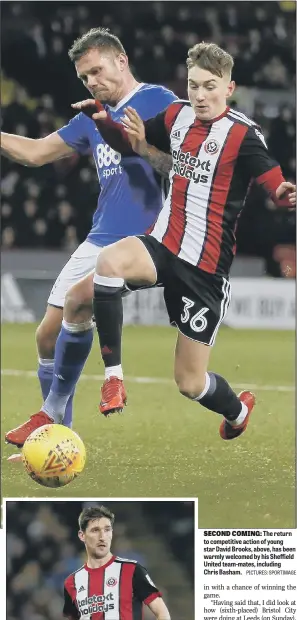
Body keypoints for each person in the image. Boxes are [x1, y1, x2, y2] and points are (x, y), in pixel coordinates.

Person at [82, 41, 295, 439]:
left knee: (189, 382)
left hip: (205, 268)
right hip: (163, 243)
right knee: (108, 264)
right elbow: (134, 145)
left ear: (228, 89)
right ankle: (113, 378)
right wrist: (101, 121)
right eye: (194, 85)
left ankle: (237, 411)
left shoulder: (243, 134)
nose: (199, 95)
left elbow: (273, 181)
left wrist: (282, 193)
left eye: (210, 87)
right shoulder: (176, 114)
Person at [4, 27, 176, 447]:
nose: (92, 82)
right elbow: (34, 153)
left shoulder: (160, 102)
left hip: (141, 240)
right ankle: (58, 439)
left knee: (80, 300)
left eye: (97, 71)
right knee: (46, 334)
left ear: (122, 61)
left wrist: (146, 150)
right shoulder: (90, 118)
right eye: (84, 78)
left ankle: (54, 426)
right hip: (99, 236)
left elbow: (181, 165)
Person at [63, 505, 171, 620]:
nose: (102, 537)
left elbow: (162, 613)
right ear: (82, 535)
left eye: (107, 530)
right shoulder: (71, 582)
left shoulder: (132, 569)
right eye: (95, 530)